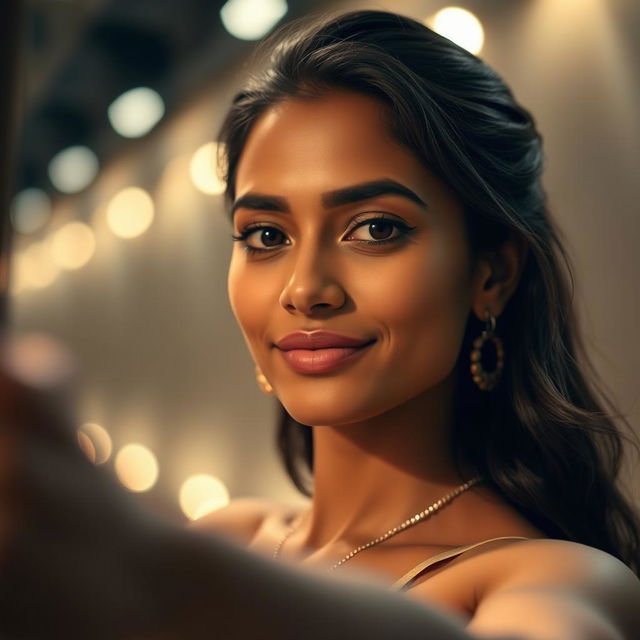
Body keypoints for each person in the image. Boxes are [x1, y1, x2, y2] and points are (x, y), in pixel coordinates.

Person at [0, 9, 639, 640]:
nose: (305, 289)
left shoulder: (557, 580)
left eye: (376, 229)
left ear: (490, 274)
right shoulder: (232, 536)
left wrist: (137, 564)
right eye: (267, 234)